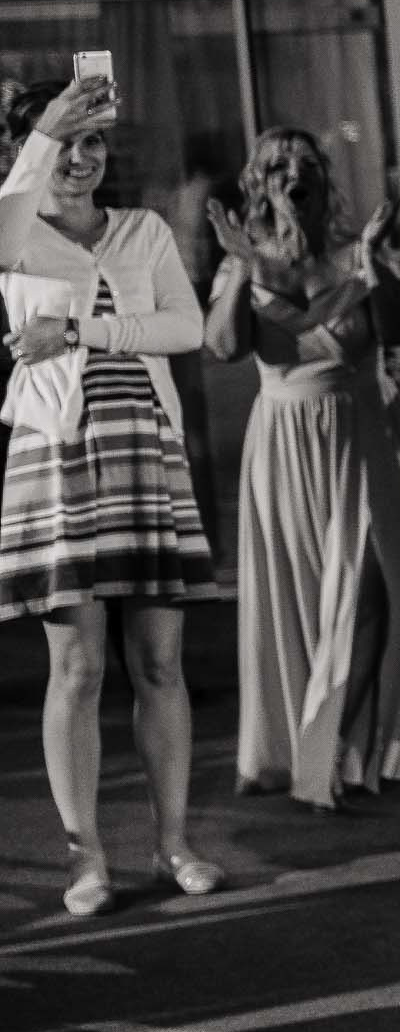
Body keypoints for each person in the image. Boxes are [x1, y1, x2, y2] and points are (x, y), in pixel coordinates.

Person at [0, 75, 223, 915]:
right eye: (68, 141)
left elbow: (187, 329)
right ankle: (84, 857)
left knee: (160, 661)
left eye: (95, 141)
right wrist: (43, 132)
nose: (83, 158)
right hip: (58, 455)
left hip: (145, 449)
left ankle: (173, 843)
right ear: (31, 150)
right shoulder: (15, 232)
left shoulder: (143, 230)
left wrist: (80, 332)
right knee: (80, 665)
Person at [203, 127, 400, 812]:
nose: (292, 173)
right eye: (278, 165)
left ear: (323, 181)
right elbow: (222, 347)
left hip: (365, 435)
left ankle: (330, 744)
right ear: (259, 183)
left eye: (306, 163)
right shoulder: (243, 263)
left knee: (365, 594)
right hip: (282, 447)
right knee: (304, 598)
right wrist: (244, 266)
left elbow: (399, 329)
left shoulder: (354, 254)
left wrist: (371, 260)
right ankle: (293, 741)